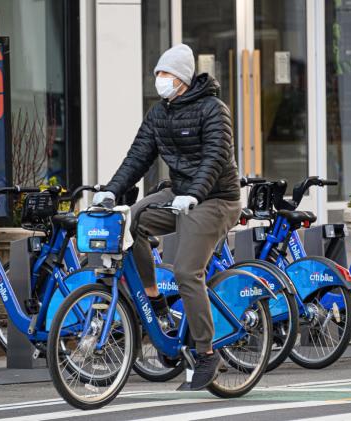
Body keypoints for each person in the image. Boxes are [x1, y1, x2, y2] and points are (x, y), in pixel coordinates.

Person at [92, 43, 241, 390]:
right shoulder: (159, 113)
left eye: (167, 75)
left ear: (184, 78)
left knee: (188, 271)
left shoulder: (213, 109)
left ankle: (206, 353)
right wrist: (112, 191)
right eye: (158, 74)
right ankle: (155, 299)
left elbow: (215, 158)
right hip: (180, 194)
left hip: (216, 198)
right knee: (131, 221)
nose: (161, 80)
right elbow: (137, 156)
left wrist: (195, 194)